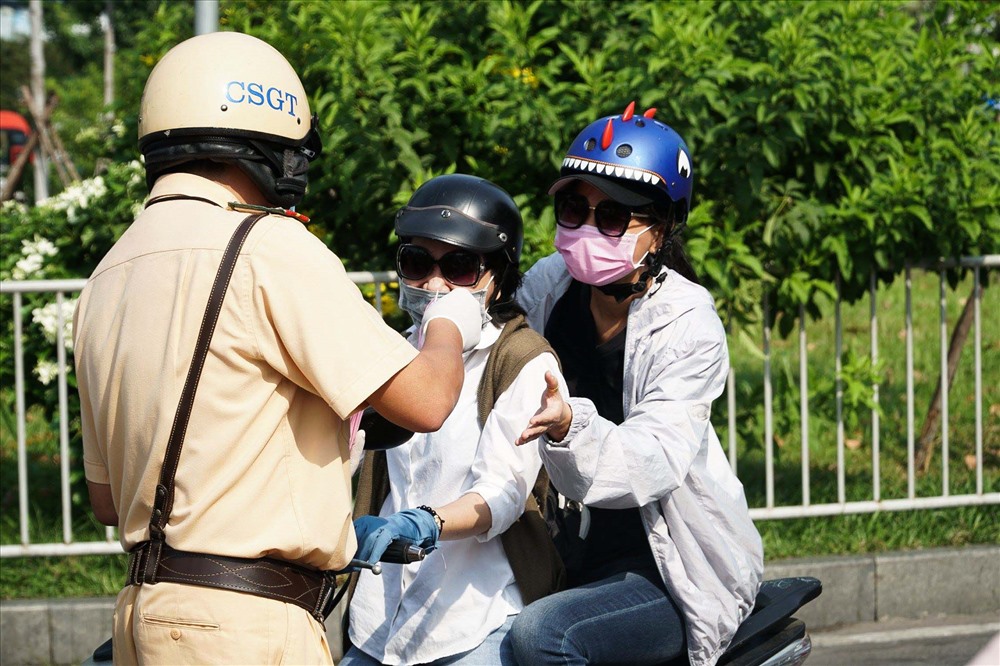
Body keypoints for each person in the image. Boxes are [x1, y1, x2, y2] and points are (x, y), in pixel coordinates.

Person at [73, 33, 482, 664]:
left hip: (142, 617)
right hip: (245, 626)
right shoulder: (267, 247)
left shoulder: (108, 273)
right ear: (267, 148)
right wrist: (453, 315)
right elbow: (427, 400)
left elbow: (107, 500)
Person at [510, 102, 764, 666]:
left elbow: (655, 458)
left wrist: (572, 424)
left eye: (613, 217)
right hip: (558, 551)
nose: (586, 228)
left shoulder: (687, 320)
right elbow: (485, 351)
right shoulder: (549, 288)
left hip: (665, 567)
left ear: (662, 227)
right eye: (575, 207)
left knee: (540, 637)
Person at [342, 174, 567, 666]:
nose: (436, 284)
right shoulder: (397, 352)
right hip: (379, 618)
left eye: (460, 266)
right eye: (417, 262)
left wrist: (428, 523)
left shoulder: (522, 359)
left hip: (472, 618)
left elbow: (505, 491)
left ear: (498, 276)